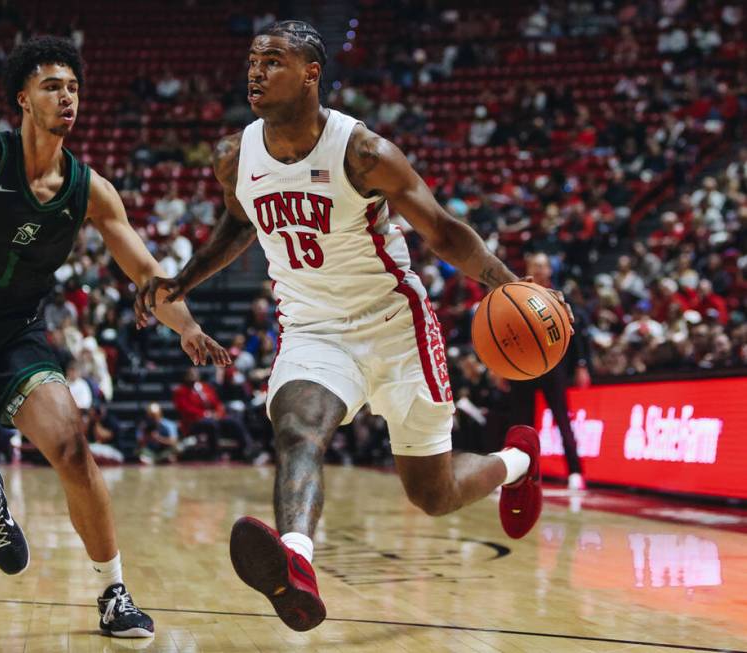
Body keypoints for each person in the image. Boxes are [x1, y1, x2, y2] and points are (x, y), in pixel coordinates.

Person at [137, 21, 574, 632]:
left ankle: (518, 461)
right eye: (252, 61)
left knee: (433, 493)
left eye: (273, 61)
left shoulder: (362, 151)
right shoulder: (234, 156)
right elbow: (240, 225)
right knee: (297, 428)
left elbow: (444, 231)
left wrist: (512, 285)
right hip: (313, 329)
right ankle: (296, 562)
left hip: (395, 325)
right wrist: (183, 281)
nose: (255, 72)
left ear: (311, 74)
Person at [0, 36, 229, 638]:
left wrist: (186, 325)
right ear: (23, 98)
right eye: (53, 85)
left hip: (16, 339)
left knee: (74, 449)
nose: (67, 96)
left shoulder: (91, 190)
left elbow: (147, 272)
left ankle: (113, 593)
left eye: (74, 87)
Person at [508, 253, 591, 490]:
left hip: (554, 366)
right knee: (521, 423)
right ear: (528, 267)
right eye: (535, 265)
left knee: (562, 419)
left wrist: (581, 365)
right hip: (524, 367)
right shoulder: (516, 298)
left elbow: (577, 336)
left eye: (543, 265)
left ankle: (575, 472)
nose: (540, 269)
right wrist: (500, 368)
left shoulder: (559, 298)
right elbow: (508, 334)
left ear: (550, 270)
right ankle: (518, 472)